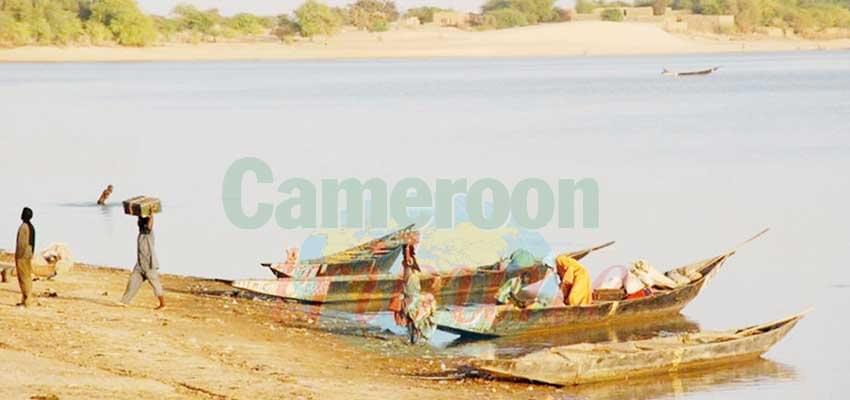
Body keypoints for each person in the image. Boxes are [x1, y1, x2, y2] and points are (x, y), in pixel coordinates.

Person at [120, 214, 165, 309]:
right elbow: (140, 222)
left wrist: (151, 215)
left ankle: (162, 304)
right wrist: (139, 215)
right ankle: (124, 301)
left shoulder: (149, 234)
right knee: (132, 282)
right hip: (140, 264)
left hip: (149, 264)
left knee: (155, 285)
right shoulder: (140, 234)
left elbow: (150, 225)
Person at [14, 207, 36, 306]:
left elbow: (21, 244)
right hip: (28, 254)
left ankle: (26, 300)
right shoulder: (31, 227)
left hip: (22, 256)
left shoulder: (24, 227)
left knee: (23, 277)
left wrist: (18, 256)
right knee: (27, 276)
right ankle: (26, 299)